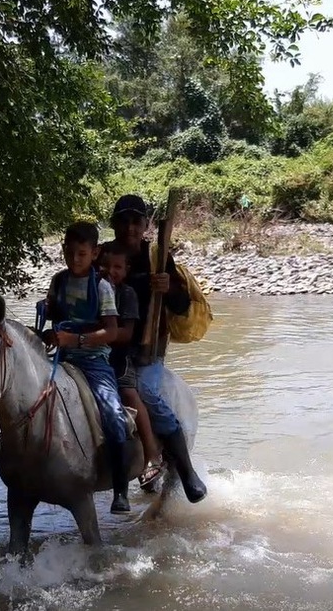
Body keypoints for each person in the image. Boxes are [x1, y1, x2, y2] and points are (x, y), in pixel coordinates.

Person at [99, 194, 208, 503]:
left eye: (136, 221)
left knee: (146, 392)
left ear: (146, 225)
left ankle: (185, 470)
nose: (130, 227)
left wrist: (167, 286)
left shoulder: (157, 256)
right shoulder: (105, 255)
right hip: (105, 349)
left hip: (146, 353)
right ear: (114, 225)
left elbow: (181, 303)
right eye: (123, 221)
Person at [43, 221, 131, 514]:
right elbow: (53, 318)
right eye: (70, 253)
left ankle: (120, 489)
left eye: (81, 254)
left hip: (94, 363)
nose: (74, 259)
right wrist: (49, 332)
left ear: (94, 254)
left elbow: (112, 332)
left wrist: (76, 339)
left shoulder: (102, 287)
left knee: (114, 415)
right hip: (62, 359)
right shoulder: (58, 281)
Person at [98, 241, 166, 490]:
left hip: (117, 358)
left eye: (116, 267)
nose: (109, 271)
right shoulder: (90, 289)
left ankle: (151, 456)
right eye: (104, 265)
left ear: (125, 270)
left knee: (129, 393)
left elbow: (126, 335)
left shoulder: (126, 294)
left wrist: (94, 335)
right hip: (88, 354)